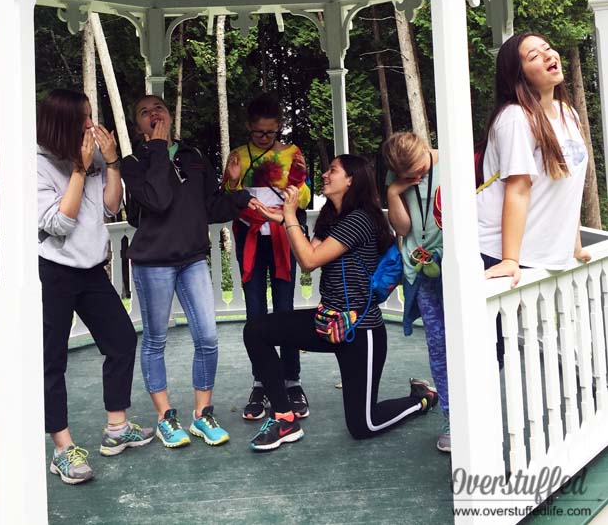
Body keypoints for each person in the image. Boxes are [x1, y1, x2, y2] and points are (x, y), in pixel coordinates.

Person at [243, 154, 438, 452]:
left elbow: (308, 262)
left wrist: (291, 216)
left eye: (332, 170)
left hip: (361, 332)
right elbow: (309, 250)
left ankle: (421, 399)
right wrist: (284, 218)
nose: (324, 174)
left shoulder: (358, 220)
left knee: (363, 425)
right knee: (257, 330)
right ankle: (283, 417)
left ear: (351, 179)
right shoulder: (331, 218)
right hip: (328, 323)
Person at [121, 94, 256, 450]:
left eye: (159, 108)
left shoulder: (193, 157)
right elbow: (157, 200)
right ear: (138, 126)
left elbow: (211, 207)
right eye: (144, 112)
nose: (154, 114)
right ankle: (166, 418)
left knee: (208, 337)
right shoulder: (133, 163)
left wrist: (237, 190)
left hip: (193, 259)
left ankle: (202, 414)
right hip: (154, 263)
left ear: (170, 115)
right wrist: (157, 150)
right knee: (155, 341)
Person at [37, 89, 154, 486]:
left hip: (90, 269)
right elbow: (59, 224)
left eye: (91, 116)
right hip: (53, 271)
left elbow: (110, 207)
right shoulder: (37, 164)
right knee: (52, 361)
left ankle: (117, 427)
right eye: (84, 118)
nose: (91, 125)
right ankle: (62, 448)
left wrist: (113, 162)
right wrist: (78, 169)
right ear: (62, 123)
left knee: (121, 339)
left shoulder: (93, 157)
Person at [478, 32, 592, 291]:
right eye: (534, 56)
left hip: (540, 253)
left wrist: (573, 244)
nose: (548, 55)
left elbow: (568, 186)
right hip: (503, 253)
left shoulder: (567, 113)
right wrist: (509, 259)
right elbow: (518, 189)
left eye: (548, 48)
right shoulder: (516, 118)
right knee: (499, 332)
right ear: (519, 75)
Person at [223, 93, 311, 421]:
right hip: (250, 238)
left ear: (279, 129)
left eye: (270, 133)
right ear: (249, 127)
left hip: (282, 236)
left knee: (285, 310)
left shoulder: (292, 154)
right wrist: (232, 181)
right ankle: (261, 381)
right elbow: (227, 199)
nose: (264, 138)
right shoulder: (238, 155)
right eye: (258, 132)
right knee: (255, 311)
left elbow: (303, 197)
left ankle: (291, 380)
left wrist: (292, 192)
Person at [384, 132, 450, 454]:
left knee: (468, 345)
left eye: (420, 169)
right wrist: (395, 191)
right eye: (409, 176)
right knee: (437, 346)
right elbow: (403, 229)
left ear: (427, 148)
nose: (418, 177)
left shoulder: (452, 161)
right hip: (419, 273)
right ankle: (451, 418)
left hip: (454, 269)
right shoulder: (397, 179)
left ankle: (475, 412)